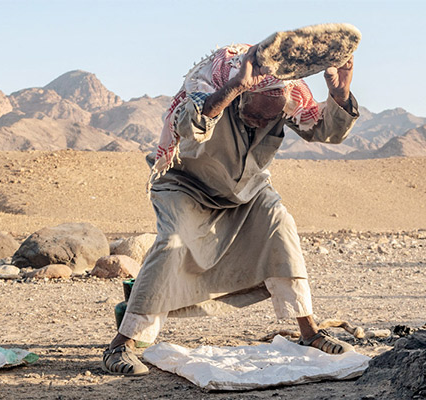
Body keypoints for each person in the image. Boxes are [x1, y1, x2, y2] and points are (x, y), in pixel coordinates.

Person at [102, 43, 359, 375]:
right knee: (174, 244)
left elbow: (323, 130)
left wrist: (340, 94)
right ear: (243, 97)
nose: (261, 123)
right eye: (255, 115)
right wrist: (234, 86)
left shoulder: (286, 93)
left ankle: (309, 333)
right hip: (185, 184)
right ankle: (120, 345)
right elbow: (189, 123)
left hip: (246, 190)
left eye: (270, 118)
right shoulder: (207, 83)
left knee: (280, 225)